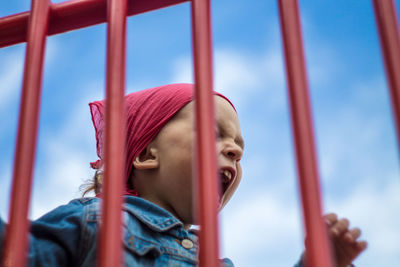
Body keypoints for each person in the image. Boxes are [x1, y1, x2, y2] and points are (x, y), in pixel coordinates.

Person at [0, 83, 366, 266]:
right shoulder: (93, 221)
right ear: (145, 154)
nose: (235, 151)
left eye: (240, 149)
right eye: (213, 134)